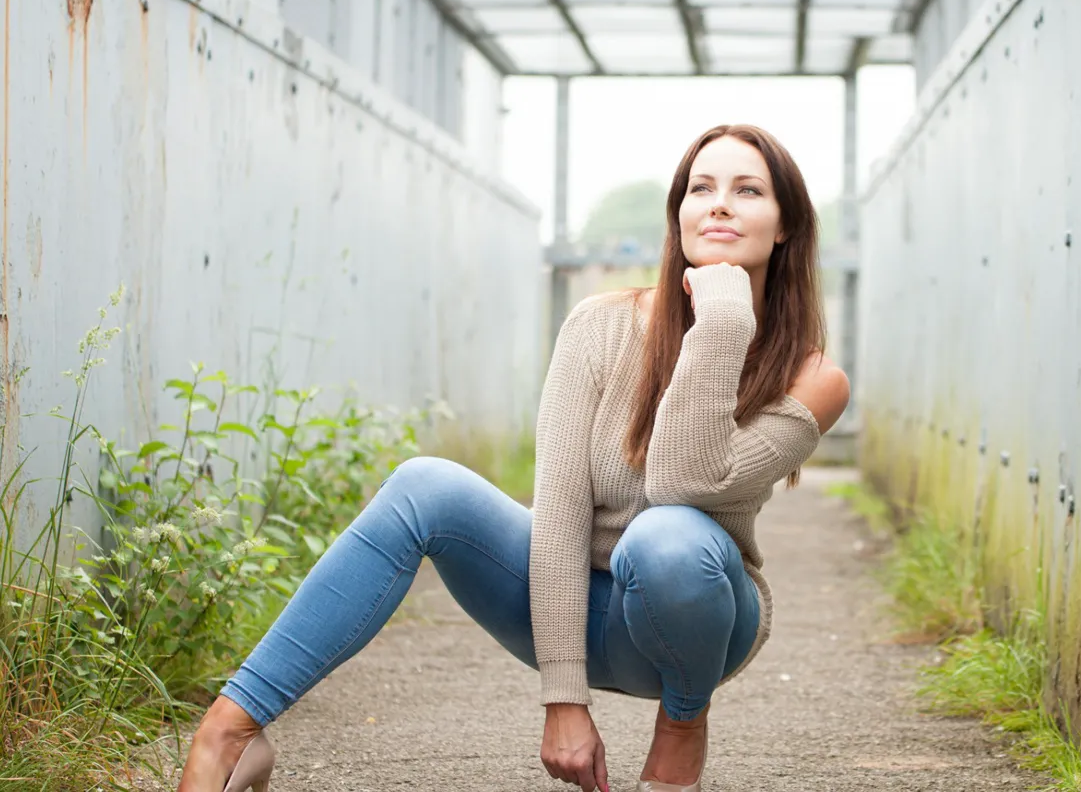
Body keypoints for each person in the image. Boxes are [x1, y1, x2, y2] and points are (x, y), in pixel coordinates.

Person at [177, 123, 850, 792]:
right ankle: (232, 729)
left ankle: (682, 724)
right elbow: (557, 511)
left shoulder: (812, 378)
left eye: (748, 190)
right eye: (701, 187)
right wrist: (564, 699)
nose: (720, 203)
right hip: (576, 614)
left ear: (786, 223)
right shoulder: (601, 325)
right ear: (679, 214)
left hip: (699, 622)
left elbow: (681, 482)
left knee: (666, 536)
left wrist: (725, 323)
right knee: (424, 484)